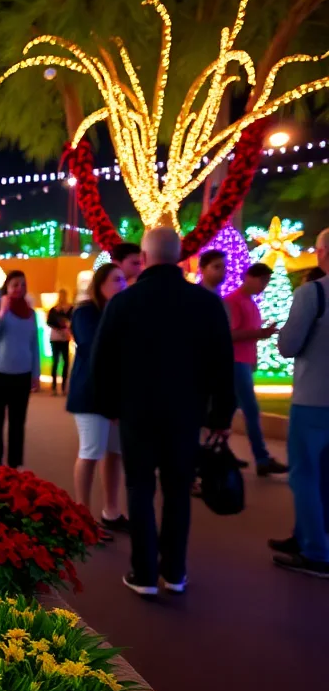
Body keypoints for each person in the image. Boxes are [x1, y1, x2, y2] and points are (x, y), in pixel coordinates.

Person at [91, 227, 235, 597]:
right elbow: (223, 363)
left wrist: (109, 406)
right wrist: (221, 416)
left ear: (145, 256)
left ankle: (143, 574)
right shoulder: (205, 303)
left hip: (136, 410)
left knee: (139, 486)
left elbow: (102, 361)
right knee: (177, 490)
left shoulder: (124, 302)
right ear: (178, 255)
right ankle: (174, 572)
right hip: (186, 412)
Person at [271, 228, 329, 578]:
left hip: (313, 398)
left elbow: (288, 345)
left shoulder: (313, 293)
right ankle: (309, 535)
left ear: (322, 252)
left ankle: (316, 552)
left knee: (305, 475)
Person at [67, 263, 128, 539]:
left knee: (114, 453)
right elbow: (95, 349)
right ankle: (82, 517)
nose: (122, 284)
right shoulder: (85, 312)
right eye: (116, 279)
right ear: (100, 284)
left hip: (116, 396)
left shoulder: (120, 311)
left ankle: (111, 512)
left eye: (123, 280)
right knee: (91, 452)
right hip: (90, 394)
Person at [225, 263, 288, 476]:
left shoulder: (250, 303)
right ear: (249, 277)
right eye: (262, 280)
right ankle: (261, 458)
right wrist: (260, 334)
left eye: (267, 281)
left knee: (227, 411)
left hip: (244, 362)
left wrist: (255, 355)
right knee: (250, 410)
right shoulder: (233, 301)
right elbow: (230, 335)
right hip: (235, 363)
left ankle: (220, 452)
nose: (264, 286)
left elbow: (247, 335)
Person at [0, 270, 41, 468]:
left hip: (21, 375)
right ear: (6, 287)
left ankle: (14, 466)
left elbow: (34, 345)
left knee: (18, 423)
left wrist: (35, 373)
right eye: (15, 284)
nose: (19, 288)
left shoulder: (30, 313)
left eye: (23, 285)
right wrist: (2, 313)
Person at [46, 288, 74, 395]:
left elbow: (72, 321)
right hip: (57, 337)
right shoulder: (54, 310)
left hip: (64, 337)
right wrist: (60, 326)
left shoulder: (70, 309)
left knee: (64, 362)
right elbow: (49, 322)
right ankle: (55, 387)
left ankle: (62, 387)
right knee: (57, 361)